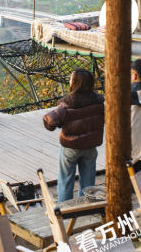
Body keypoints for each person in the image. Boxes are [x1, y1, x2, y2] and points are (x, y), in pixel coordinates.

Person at [43, 68, 105, 202]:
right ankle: (85, 208)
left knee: (65, 181)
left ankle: (65, 211)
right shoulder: (99, 102)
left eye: (71, 78)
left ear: (76, 83)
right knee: (88, 183)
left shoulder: (67, 103)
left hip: (71, 148)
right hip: (90, 147)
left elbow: (50, 121)